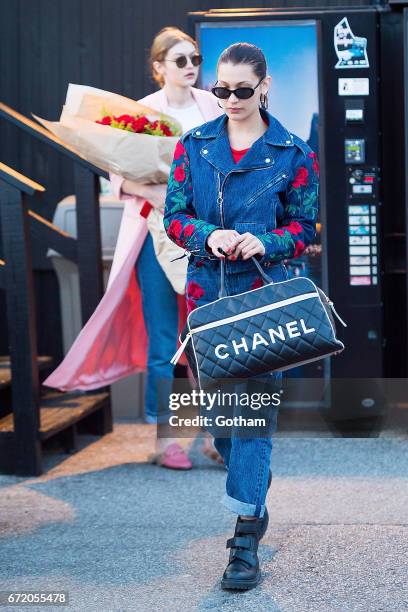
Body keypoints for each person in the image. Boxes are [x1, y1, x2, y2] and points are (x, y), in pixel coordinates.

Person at [164, 42, 319, 590]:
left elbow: (306, 230)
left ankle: (244, 539)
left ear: (264, 86)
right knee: (223, 425)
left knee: (252, 421)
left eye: (242, 90)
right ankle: (255, 487)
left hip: (264, 301)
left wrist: (264, 241)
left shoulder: (294, 153)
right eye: (221, 89)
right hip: (205, 299)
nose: (230, 99)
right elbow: (175, 219)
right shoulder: (192, 146)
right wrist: (212, 235)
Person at [109, 27, 223, 469]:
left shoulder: (212, 104)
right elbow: (114, 172)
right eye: (180, 60)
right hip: (153, 234)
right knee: (163, 341)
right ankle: (165, 439)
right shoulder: (140, 112)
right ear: (158, 68)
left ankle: (216, 434)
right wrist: (154, 193)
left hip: (206, 236)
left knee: (210, 335)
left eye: (194, 58)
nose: (190, 66)